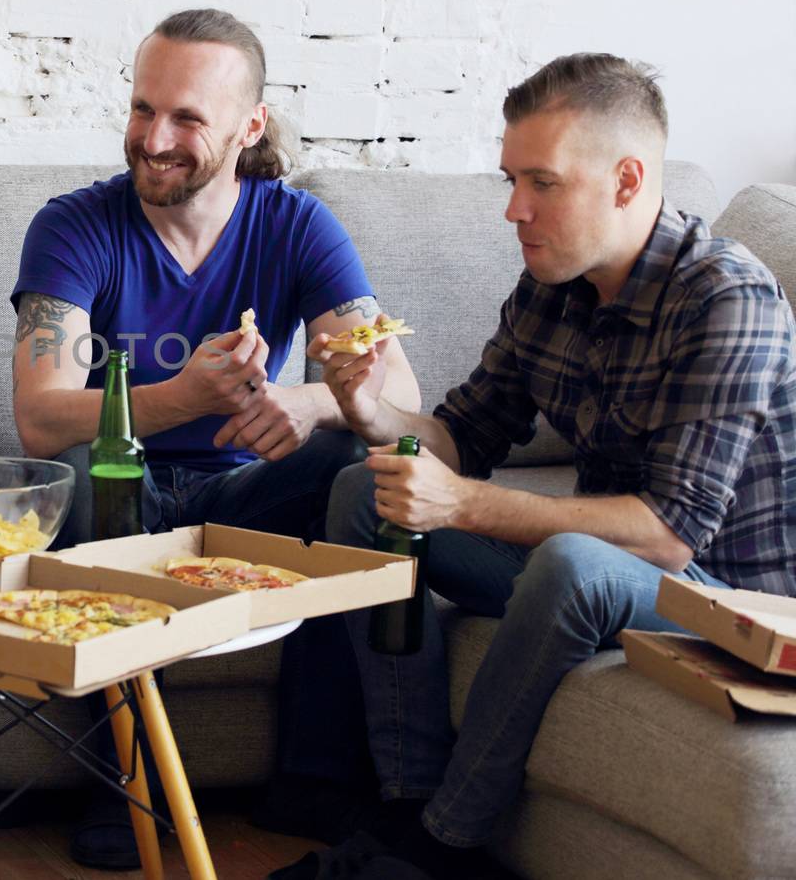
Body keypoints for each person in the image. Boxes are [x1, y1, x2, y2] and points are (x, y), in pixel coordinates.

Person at [277, 54, 796, 880]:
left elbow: (666, 537)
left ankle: (443, 843)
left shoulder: (729, 297)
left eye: (542, 183)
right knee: (359, 491)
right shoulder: (550, 287)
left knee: (574, 564)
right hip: (608, 568)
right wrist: (369, 410)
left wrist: (460, 504)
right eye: (511, 179)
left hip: (733, 600)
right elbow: (461, 433)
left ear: (627, 180)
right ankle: (405, 799)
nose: (515, 209)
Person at [9, 7, 422, 868]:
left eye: (188, 118)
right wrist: (177, 397)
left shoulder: (296, 224)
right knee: (85, 466)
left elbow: (404, 395)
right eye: (141, 109)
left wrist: (311, 403)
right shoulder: (76, 226)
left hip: (247, 494)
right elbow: (41, 414)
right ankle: (127, 775)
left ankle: (316, 775)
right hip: (126, 497)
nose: (154, 138)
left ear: (249, 126)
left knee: (355, 461)